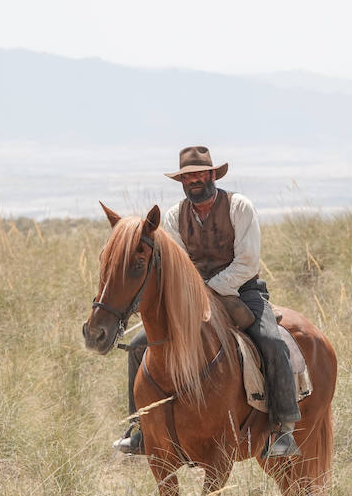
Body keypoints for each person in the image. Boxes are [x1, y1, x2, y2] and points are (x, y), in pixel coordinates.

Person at [114, 146, 301, 458]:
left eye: (199, 174)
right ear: (182, 182)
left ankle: (282, 428)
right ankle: (141, 428)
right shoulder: (174, 217)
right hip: (191, 298)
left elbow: (247, 261)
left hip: (242, 291)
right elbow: (179, 265)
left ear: (213, 175)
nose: (194, 181)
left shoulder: (239, 206)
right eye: (187, 177)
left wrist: (208, 290)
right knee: (137, 345)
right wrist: (193, 295)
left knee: (271, 341)